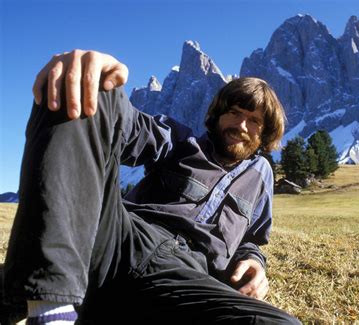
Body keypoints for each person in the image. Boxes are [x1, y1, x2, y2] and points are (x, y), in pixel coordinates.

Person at [3, 50, 300, 324]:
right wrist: (102, 84)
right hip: (121, 241)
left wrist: (254, 261)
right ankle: (50, 311)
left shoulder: (261, 177)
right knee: (84, 90)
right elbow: (129, 125)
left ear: (266, 132)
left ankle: (29, 287)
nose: (241, 125)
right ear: (218, 115)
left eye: (255, 120)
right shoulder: (183, 142)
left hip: (186, 278)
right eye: (234, 112)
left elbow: (250, 238)